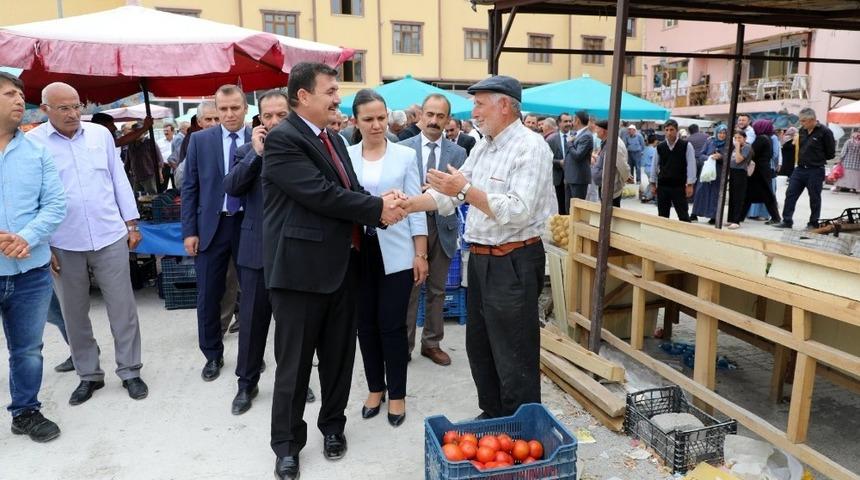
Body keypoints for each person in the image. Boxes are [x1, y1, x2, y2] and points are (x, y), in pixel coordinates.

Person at [262, 62, 407, 480]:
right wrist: (379, 209)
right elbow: (320, 195)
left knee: (339, 359)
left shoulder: (334, 140)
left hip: (344, 266)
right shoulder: (284, 140)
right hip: (300, 274)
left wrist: (384, 202)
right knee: (294, 365)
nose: (337, 98)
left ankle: (333, 428)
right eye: (330, 91)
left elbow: (350, 190)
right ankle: (287, 446)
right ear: (303, 96)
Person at [403, 75, 556, 419]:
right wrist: (408, 205)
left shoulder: (530, 147)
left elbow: (518, 210)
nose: (473, 111)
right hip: (482, 259)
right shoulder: (485, 145)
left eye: (479, 103)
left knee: (514, 350)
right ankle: (493, 412)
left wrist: (466, 190)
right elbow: (448, 195)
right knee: (481, 344)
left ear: (504, 105)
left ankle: (521, 425)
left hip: (514, 259)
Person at [29, 82, 148, 405]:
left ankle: (130, 371)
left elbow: (117, 177)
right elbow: (32, 197)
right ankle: (89, 375)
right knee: (74, 312)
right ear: (45, 110)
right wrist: (44, 244)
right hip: (62, 241)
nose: (72, 114)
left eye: (77, 106)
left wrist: (131, 222)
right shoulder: (33, 143)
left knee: (122, 307)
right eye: (63, 108)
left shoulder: (100, 135)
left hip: (109, 233)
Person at [223, 89, 315, 415]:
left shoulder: (304, 151)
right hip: (256, 251)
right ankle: (246, 384)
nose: (275, 122)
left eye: (281, 115)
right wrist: (258, 154)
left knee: (293, 326)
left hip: (294, 252)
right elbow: (232, 187)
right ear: (259, 119)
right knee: (251, 323)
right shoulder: (246, 151)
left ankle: (296, 382)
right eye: (268, 116)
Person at [347, 89, 428, 427]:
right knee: (364, 325)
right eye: (369, 119)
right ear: (356, 121)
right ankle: (375, 389)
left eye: (381, 117)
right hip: (356, 252)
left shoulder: (405, 156)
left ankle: (397, 393)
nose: (377, 125)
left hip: (396, 252)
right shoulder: (345, 155)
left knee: (392, 325)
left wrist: (420, 253)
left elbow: (416, 209)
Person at [0, 72, 66, 443]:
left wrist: (26, 237)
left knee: (28, 349)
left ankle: (25, 411)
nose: (18, 100)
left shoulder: (37, 150)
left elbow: (56, 205)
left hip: (30, 270)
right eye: (10, 93)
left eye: (20, 94)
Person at [181, 85, 251, 382]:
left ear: (245, 108)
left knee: (252, 296)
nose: (229, 114)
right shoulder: (200, 141)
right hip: (212, 226)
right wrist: (189, 231)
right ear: (216, 111)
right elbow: (190, 188)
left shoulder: (260, 138)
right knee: (209, 294)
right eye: (223, 109)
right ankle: (212, 354)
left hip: (250, 226)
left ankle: (252, 355)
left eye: (235, 108)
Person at [400, 94, 467, 367]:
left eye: (441, 116)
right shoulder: (403, 149)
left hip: (444, 225)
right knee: (410, 289)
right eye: (430, 114)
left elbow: (462, 193)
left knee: (438, 288)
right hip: (411, 227)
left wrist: (442, 191)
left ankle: (432, 343)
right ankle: (403, 346)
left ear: (448, 120)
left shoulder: (458, 153)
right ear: (420, 116)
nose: (434, 121)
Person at [774, 108, 835, 230]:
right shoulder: (802, 131)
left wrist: (816, 156)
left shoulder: (825, 132)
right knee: (790, 193)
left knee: (814, 197)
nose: (801, 123)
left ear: (812, 119)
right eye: (801, 121)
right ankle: (787, 220)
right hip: (800, 169)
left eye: (803, 121)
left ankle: (813, 223)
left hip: (815, 170)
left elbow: (831, 154)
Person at [650, 119, 696, 221]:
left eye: (672, 130)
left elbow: (691, 166)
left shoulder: (686, 146)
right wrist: (652, 183)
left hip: (679, 186)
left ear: (677, 130)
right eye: (666, 130)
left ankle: (685, 236)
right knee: (662, 216)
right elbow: (654, 166)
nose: (669, 133)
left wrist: (690, 184)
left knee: (683, 216)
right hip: (663, 186)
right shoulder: (660, 147)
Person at [738, 120, 782, 228]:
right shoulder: (768, 138)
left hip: (759, 172)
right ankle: (739, 217)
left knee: (766, 195)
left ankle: (776, 218)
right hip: (761, 171)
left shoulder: (762, 139)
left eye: (755, 127)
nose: (754, 129)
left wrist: (741, 146)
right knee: (749, 195)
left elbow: (751, 152)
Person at [692, 125, 728, 224]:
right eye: (720, 133)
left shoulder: (729, 144)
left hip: (719, 172)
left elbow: (729, 158)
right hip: (707, 171)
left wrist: (721, 157)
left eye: (724, 133)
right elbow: (701, 155)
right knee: (701, 191)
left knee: (715, 194)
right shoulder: (710, 141)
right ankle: (694, 213)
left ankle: (713, 216)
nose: (722, 135)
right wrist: (710, 157)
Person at [591, 120, 630, 208]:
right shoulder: (606, 142)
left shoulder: (615, 145)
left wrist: (624, 179)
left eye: (597, 128)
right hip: (605, 186)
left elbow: (623, 167)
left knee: (611, 215)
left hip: (612, 189)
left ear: (604, 130)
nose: (596, 131)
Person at [564, 110, 594, 205]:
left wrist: (569, 143)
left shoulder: (587, 136)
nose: (571, 123)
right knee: (568, 208)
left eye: (572, 120)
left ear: (577, 120)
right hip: (571, 177)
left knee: (576, 210)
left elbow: (578, 155)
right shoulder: (577, 134)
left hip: (578, 178)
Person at [545, 113, 572, 214]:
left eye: (570, 121)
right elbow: (546, 159)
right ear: (559, 123)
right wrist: (559, 162)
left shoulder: (576, 137)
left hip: (573, 178)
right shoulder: (551, 140)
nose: (568, 123)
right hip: (558, 178)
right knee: (561, 207)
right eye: (565, 121)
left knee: (572, 207)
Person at [726, 130, 753, 229]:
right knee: (732, 196)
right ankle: (731, 219)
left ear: (745, 138)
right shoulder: (735, 147)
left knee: (738, 197)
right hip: (732, 172)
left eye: (739, 138)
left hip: (740, 173)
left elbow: (738, 160)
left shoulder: (747, 147)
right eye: (735, 138)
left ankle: (736, 220)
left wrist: (737, 147)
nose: (737, 140)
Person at [640, 134, 658, 203]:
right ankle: (647, 197)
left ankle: (644, 195)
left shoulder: (646, 148)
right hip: (651, 169)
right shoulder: (654, 150)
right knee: (653, 184)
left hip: (646, 169)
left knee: (651, 183)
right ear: (655, 141)